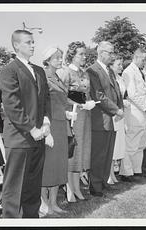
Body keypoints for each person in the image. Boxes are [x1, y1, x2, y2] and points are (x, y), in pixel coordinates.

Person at [0, 30, 51, 218]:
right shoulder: (9, 70)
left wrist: (46, 123)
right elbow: (12, 105)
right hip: (19, 139)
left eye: (33, 42)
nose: (33, 45)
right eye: (28, 42)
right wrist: (31, 129)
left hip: (38, 137)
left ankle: (31, 219)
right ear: (16, 45)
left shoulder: (39, 70)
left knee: (32, 186)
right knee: (14, 189)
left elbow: (46, 99)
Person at [58, 41, 95, 201]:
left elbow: (86, 94)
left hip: (85, 116)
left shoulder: (85, 73)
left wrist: (90, 102)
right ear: (72, 55)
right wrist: (79, 104)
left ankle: (77, 187)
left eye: (85, 54)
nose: (84, 57)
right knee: (73, 151)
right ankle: (69, 189)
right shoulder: (65, 72)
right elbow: (61, 96)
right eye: (81, 54)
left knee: (82, 152)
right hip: (72, 117)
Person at [40, 46, 75, 215]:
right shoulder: (43, 76)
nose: (60, 60)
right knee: (48, 165)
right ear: (47, 59)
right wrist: (45, 131)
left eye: (61, 57)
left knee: (59, 164)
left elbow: (60, 101)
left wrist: (67, 111)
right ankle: (44, 203)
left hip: (61, 124)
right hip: (50, 125)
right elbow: (41, 104)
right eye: (56, 57)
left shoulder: (58, 77)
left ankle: (54, 203)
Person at [86, 41, 124, 196]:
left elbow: (116, 92)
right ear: (100, 53)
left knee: (108, 153)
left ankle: (103, 182)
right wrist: (116, 110)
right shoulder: (93, 70)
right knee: (98, 154)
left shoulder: (108, 70)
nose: (112, 55)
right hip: (100, 120)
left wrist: (119, 107)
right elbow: (99, 95)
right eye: (110, 53)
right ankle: (95, 187)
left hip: (111, 118)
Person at [119, 48, 146, 182]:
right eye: (143, 60)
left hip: (144, 113)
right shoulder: (128, 72)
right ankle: (126, 172)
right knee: (131, 144)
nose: (144, 63)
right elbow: (132, 94)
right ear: (136, 57)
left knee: (141, 144)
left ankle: (137, 170)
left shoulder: (141, 73)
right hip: (135, 112)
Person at [108, 55, 127, 185]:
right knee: (112, 145)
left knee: (118, 144)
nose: (121, 67)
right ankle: (108, 174)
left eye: (121, 64)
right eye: (118, 64)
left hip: (120, 113)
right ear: (111, 65)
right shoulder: (109, 78)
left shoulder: (120, 78)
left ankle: (113, 172)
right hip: (113, 113)